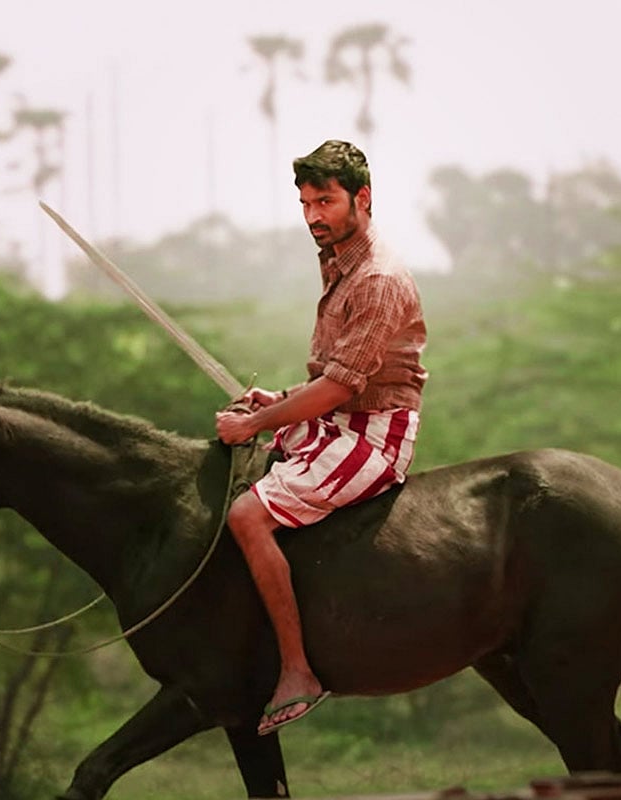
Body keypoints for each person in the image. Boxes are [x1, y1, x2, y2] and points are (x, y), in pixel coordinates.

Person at [215, 139, 428, 736]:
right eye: (306, 202)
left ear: (362, 198)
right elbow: (333, 377)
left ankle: (297, 670)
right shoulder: (337, 258)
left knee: (247, 518)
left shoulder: (378, 278)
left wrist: (259, 422)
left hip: (374, 433)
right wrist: (280, 402)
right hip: (340, 413)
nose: (313, 215)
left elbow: (339, 389)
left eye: (326, 201)